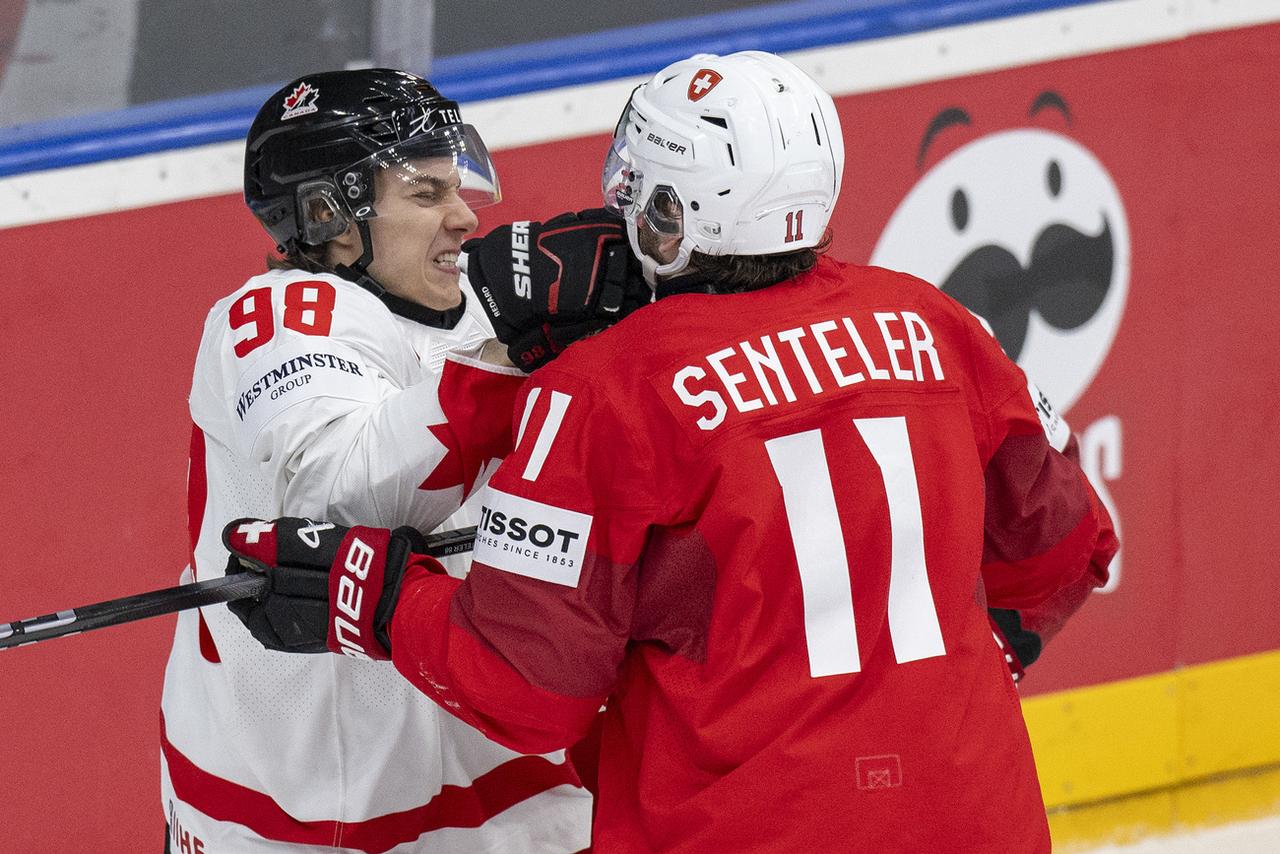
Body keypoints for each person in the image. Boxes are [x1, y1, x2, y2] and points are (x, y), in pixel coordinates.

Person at [221, 52, 1118, 852]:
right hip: (974, 815)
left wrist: (377, 598)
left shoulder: (606, 387)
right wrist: (995, 643)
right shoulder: (935, 322)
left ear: (665, 211)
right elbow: (1071, 545)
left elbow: (527, 689)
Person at [161, 68, 643, 853]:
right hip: (293, 818)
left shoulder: (484, 306)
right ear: (331, 216)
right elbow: (341, 495)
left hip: (502, 788)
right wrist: (505, 361)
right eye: (425, 195)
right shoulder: (276, 316)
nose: (462, 218)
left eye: (458, 189)